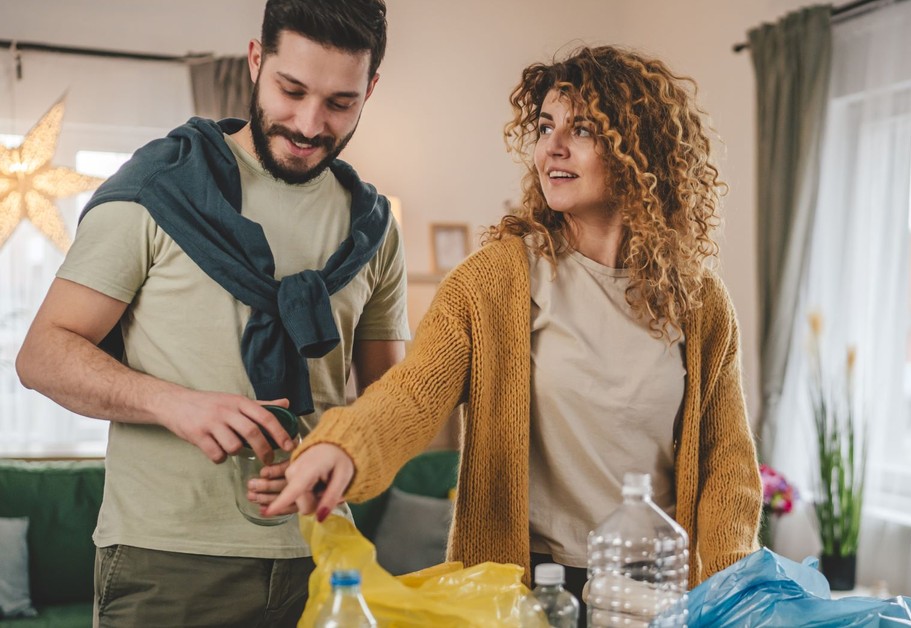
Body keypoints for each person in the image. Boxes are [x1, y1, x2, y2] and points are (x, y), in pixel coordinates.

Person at [267, 45, 761, 603]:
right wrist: (342, 447)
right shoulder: (499, 279)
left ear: (638, 151)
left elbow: (727, 466)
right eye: (545, 125)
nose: (552, 146)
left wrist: (732, 594)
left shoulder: (699, 303)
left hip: (655, 588)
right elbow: (410, 394)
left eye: (583, 129)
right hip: (529, 589)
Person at [14, 1, 407, 625]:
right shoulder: (156, 189)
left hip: (323, 558)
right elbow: (42, 355)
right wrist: (176, 403)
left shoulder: (374, 229)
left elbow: (391, 403)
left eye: (340, 103)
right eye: (291, 89)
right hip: (166, 562)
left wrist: (346, 458)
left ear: (370, 90)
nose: (309, 123)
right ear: (256, 60)